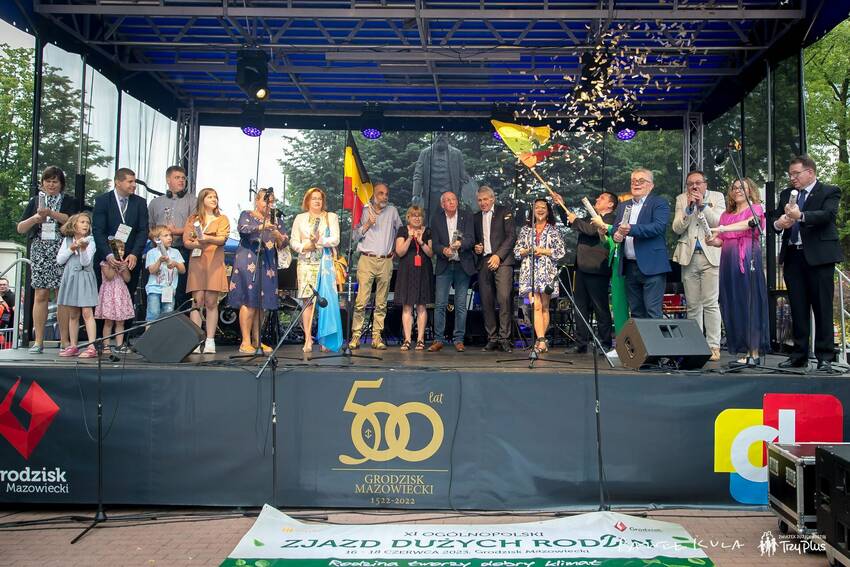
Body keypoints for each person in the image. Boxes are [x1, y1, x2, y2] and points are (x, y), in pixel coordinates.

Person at [772, 155, 843, 371]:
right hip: (793, 257)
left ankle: (825, 357)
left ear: (810, 172)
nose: (792, 178)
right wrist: (779, 223)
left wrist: (801, 215)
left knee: (822, 307)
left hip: (819, 258)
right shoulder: (786, 194)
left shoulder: (829, 191)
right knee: (797, 307)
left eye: (796, 173)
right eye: (790, 174)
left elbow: (827, 215)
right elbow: (774, 219)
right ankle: (799, 354)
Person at [16, 166, 80, 353]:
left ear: (61, 184)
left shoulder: (69, 201)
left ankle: (65, 340)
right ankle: (38, 341)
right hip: (40, 250)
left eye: (55, 181)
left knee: (62, 295)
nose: (51, 185)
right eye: (48, 181)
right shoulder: (35, 201)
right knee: (41, 294)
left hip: (62, 249)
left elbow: (73, 221)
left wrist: (50, 213)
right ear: (42, 183)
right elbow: (20, 228)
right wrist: (35, 219)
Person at [706, 178, 769, 365]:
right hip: (728, 259)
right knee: (733, 301)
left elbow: (748, 224)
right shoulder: (726, 214)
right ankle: (744, 349)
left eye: (742, 187)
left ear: (750, 191)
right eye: (734, 188)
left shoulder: (755, 208)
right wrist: (712, 240)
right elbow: (720, 239)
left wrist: (722, 228)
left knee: (750, 302)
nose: (737, 190)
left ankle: (754, 352)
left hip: (747, 256)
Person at [553, 191, 617, 354]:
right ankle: (581, 343)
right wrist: (561, 205)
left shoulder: (610, 219)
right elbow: (570, 222)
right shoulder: (590, 219)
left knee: (600, 307)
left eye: (602, 198)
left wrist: (576, 220)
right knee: (580, 307)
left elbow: (592, 230)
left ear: (610, 204)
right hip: (581, 268)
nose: (598, 199)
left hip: (597, 269)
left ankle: (605, 342)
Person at [671, 170, 725, 361]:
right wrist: (688, 209)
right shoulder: (681, 199)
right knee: (693, 305)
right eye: (690, 184)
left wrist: (702, 206)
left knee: (710, 302)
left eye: (698, 183)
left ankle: (713, 345)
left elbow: (719, 223)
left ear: (705, 184)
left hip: (711, 256)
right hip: (689, 256)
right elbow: (677, 228)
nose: (694, 186)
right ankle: (695, 345)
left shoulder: (717, 197)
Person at [229, 188, 289, 354]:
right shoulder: (247, 215)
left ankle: (257, 341)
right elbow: (243, 229)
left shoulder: (276, 220)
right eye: (266, 201)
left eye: (271, 202)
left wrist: (278, 235)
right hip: (249, 259)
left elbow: (284, 243)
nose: (269, 205)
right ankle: (245, 342)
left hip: (268, 262)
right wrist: (262, 226)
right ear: (257, 200)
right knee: (249, 300)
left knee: (261, 303)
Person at [348, 182, 402, 350]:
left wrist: (396, 248)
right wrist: (367, 225)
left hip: (386, 261)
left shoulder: (392, 211)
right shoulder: (363, 211)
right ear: (373, 195)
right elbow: (353, 237)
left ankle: (376, 337)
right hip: (367, 259)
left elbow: (401, 231)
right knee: (361, 301)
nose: (384, 197)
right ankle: (356, 336)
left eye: (386, 194)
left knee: (381, 302)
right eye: (380, 193)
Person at [611, 168, 671, 319]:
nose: (636, 184)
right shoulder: (624, 206)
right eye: (633, 181)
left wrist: (630, 229)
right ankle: (639, 337)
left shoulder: (659, 203)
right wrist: (616, 235)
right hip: (630, 266)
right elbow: (616, 228)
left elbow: (658, 227)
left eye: (641, 181)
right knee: (636, 312)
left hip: (652, 266)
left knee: (652, 311)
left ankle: (654, 337)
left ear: (651, 185)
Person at [290, 187, 340, 353]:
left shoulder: (330, 217)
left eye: (320, 198)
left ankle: (325, 339)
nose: (317, 201)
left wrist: (319, 241)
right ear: (307, 201)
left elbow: (335, 239)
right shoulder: (300, 218)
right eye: (314, 198)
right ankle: (308, 339)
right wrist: (305, 247)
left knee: (325, 300)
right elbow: (293, 241)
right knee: (308, 302)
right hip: (305, 263)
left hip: (324, 263)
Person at [514, 199, 566, 353]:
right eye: (537, 207)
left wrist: (543, 251)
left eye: (543, 207)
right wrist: (527, 250)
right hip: (529, 272)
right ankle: (542, 341)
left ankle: (540, 340)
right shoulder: (525, 229)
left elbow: (561, 252)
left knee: (544, 307)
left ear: (548, 211)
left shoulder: (554, 230)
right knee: (535, 305)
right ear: (533, 211)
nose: (540, 210)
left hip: (547, 272)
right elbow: (517, 251)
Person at [183, 188, 230, 354]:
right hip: (198, 262)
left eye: (215, 197)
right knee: (197, 301)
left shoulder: (222, 219)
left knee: (211, 301)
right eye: (210, 197)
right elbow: (186, 241)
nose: (213, 199)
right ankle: (195, 340)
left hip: (214, 262)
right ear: (202, 199)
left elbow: (222, 239)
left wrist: (207, 238)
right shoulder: (193, 219)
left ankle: (210, 340)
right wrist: (198, 243)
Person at [93, 168, 150, 302]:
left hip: (130, 260)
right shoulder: (102, 201)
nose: (134, 185)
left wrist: (134, 253)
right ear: (118, 182)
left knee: (128, 299)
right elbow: (98, 231)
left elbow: (143, 230)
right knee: (104, 300)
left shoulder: (140, 202)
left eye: (134, 181)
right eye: (130, 181)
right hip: (107, 259)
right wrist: (108, 254)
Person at [429, 191, 475, 352]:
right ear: (442, 204)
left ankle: (459, 339)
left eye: (454, 199)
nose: (451, 202)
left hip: (462, 265)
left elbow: (471, 239)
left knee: (460, 304)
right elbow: (435, 244)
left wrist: (460, 244)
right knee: (440, 304)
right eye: (448, 200)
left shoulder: (466, 216)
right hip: (444, 265)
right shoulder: (436, 219)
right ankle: (438, 339)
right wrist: (443, 250)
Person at [473, 186, 516, 353]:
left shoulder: (505, 212)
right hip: (484, 261)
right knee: (486, 301)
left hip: (502, 261)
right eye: (479, 200)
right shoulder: (476, 217)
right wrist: (476, 248)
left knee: (504, 299)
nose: (482, 203)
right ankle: (492, 338)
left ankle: (505, 338)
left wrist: (498, 256)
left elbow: (511, 236)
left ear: (492, 199)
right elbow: (475, 241)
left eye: (485, 199)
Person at [147, 166, 195, 307]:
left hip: (182, 250)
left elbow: (194, 228)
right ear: (168, 180)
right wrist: (157, 240)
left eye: (183, 178)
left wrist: (176, 231)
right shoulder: (155, 202)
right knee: (156, 289)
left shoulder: (193, 201)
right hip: (158, 251)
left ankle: (179, 318)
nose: (181, 180)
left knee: (180, 290)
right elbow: (149, 227)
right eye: (177, 177)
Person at [56, 212, 98, 359]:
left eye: (88, 222)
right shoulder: (67, 240)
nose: (86, 225)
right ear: (74, 225)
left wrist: (83, 249)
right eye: (82, 222)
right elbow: (60, 260)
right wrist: (72, 248)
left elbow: (85, 262)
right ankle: (73, 345)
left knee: (87, 312)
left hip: (84, 277)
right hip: (71, 277)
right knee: (73, 314)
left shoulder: (91, 241)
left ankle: (91, 346)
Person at [394, 205, 434, 351]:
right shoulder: (403, 231)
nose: (417, 218)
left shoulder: (427, 231)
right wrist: (410, 238)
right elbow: (400, 252)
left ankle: (420, 339)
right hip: (407, 271)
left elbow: (430, 253)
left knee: (422, 306)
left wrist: (421, 241)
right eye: (414, 215)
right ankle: (407, 339)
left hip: (423, 271)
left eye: (419, 215)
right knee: (407, 306)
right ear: (408, 217)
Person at [412, 133, 473, 217]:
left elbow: (463, 177)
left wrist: (465, 196)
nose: (440, 136)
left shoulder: (457, 154)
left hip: (450, 195)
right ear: (434, 136)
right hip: (431, 196)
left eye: (443, 134)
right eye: (438, 133)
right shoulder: (425, 153)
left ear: (447, 136)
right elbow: (418, 175)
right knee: (431, 220)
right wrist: (415, 194)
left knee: (451, 220)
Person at [94, 239, 134, 353]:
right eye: (117, 250)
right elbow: (109, 276)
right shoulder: (104, 263)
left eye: (122, 249)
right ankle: (106, 345)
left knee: (120, 321)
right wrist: (113, 265)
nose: (120, 252)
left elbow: (127, 279)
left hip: (120, 293)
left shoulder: (124, 263)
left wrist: (124, 268)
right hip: (109, 294)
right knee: (108, 321)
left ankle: (119, 345)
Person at [145, 225, 186, 321]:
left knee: (168, 315)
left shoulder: (175, 252)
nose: (169, 238)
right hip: (154, 289)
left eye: (170, 235)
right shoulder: (151, 253)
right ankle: (150, 331)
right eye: (166, 235)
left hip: (169, 290)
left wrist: (175, 264)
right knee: (153, 314)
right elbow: (152, 270)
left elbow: (183, 270)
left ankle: (165, 331)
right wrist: (159, 261)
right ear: (156, 239)